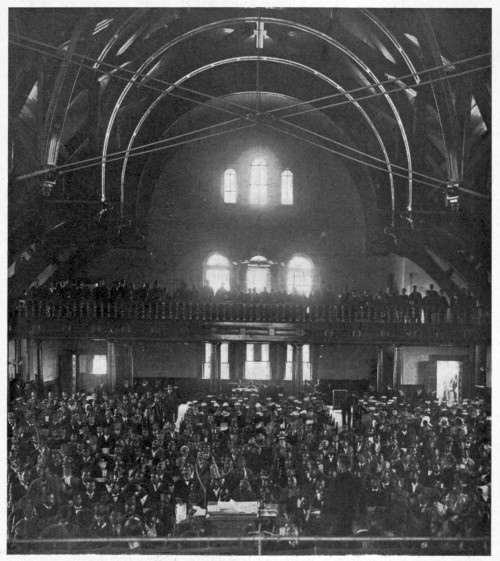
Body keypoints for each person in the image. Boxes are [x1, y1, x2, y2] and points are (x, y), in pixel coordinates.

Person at [322, 454, 366, 535]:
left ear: (341, 465)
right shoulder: (358, 480)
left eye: (338, 464)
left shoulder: (336, 480)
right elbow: (362, 500)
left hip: (339, 518)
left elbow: (331, 499)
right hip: (354, 517)